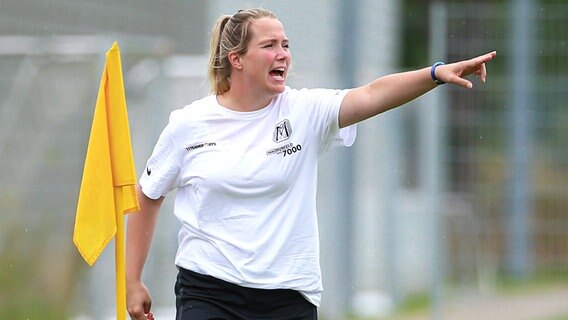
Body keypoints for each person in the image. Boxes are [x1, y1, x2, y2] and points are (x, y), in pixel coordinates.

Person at [125, 7, 496, 320]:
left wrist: (434, 74)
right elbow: (147, 195)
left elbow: (371, 93)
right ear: (236, 59)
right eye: (269, 46)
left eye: (285, 45)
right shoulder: (189, 124)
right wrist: (132, 280)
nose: (283, 54)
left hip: (287, 294)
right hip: (208, 289)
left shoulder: (304, 111)